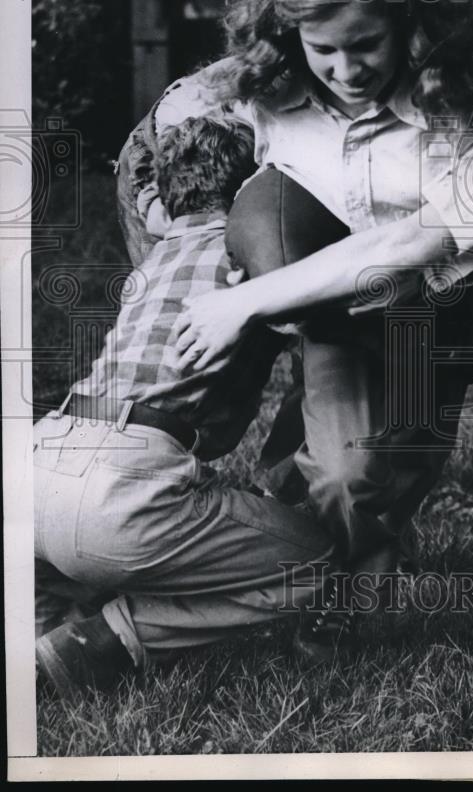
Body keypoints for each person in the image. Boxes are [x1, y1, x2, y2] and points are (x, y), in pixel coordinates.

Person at [154, 0, 473, 656]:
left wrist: (254, 298)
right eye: (322, 48)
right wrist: (167, 210)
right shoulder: (269, 87)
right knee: (349, 469)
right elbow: (177, 111)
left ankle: (349, 544)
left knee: (404, 466)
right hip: (331, 314)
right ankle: (330, 578)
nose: (346, 69)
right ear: (288, 32)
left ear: (411, 23)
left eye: (366, 44)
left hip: (435, 314)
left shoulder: (465, 107)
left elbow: (421, 245)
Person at [35, 116, 337, 699]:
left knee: (48, 612)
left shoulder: (151, 264)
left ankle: (52, 642)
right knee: (315, 566)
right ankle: (115, 637)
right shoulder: (251, 256)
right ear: (253, 188)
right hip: (120, 488)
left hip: (36, 461)